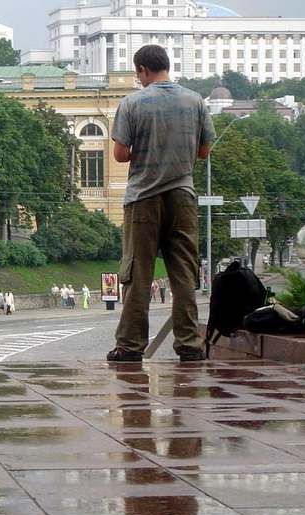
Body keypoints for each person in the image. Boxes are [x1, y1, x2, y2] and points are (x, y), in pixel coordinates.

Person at [106, 44, 215, 363]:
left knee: (137, 273)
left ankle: (130, 346)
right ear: (166, 66)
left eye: (138, 74)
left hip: (143, 198)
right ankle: (190, 344)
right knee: (184, 273)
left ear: (142, 70)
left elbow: (120, 154)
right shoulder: (195, 101)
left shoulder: (132, 103)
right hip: (183, 196)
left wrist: (146, 149)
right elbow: (204, 151)